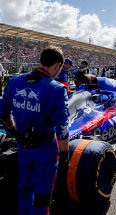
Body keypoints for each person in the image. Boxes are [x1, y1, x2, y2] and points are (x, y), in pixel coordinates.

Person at [0, 46, 70, 215]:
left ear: (41, 61)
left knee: (24, 187)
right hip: (45, 150)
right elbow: (62, 127)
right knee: (42, 196)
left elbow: (3, 112)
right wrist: (65, 153)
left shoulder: (15, 81)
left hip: (22, 147)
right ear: (58, 66)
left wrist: (13, 129)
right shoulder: (57, 89)